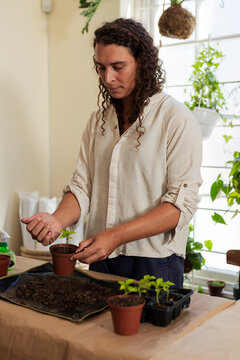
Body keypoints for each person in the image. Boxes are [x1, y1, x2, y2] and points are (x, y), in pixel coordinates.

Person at [21, 18, 202, 288]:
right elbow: (83, 187)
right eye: (101, 67)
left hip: (153, 260)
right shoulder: (98, 122)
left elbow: (179, 207)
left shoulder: (175, 118)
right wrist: (56, 219)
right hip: (102, 257)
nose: (108, 78)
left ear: (143, 63)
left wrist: (115, 236)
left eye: (118, 67)